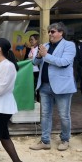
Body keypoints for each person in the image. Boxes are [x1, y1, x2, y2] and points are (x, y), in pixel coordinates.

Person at [29, 22, 76, 151]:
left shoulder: (69, 45)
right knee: (45, 114)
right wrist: (38, 55)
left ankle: (65, 139)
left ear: (61, 33)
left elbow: (64, 63)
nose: (50, 34)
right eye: (49, 31)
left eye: (53, 31)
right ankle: (45, 141)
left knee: (64, 115)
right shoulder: (45, 46)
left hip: (62, 86)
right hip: (44, 86)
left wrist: (45, 55)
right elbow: (35, 62)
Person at [25, 34, 40, 102]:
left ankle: (37, 100)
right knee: (31, 86)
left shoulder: (39, 48)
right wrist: (28, 58)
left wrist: (32, 59)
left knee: (36, 85)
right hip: (30, 70)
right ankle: (32, 99)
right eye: (30, 39)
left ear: (36, 40)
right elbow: (26, 58)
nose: (30, 41)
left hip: (37, 70)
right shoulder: (30, 49)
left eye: (32, 39)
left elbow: (39, 59)